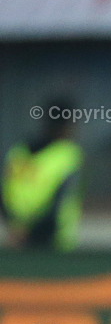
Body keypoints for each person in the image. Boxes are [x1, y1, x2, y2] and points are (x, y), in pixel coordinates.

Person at [1, 98, 83, 250]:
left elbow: (4, 195)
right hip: (54, 241)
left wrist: (14, 228)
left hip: (17, 239)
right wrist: (30, 233)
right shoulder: (67, 154)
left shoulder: (18, 151)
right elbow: (58, 203)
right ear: (66, 125)